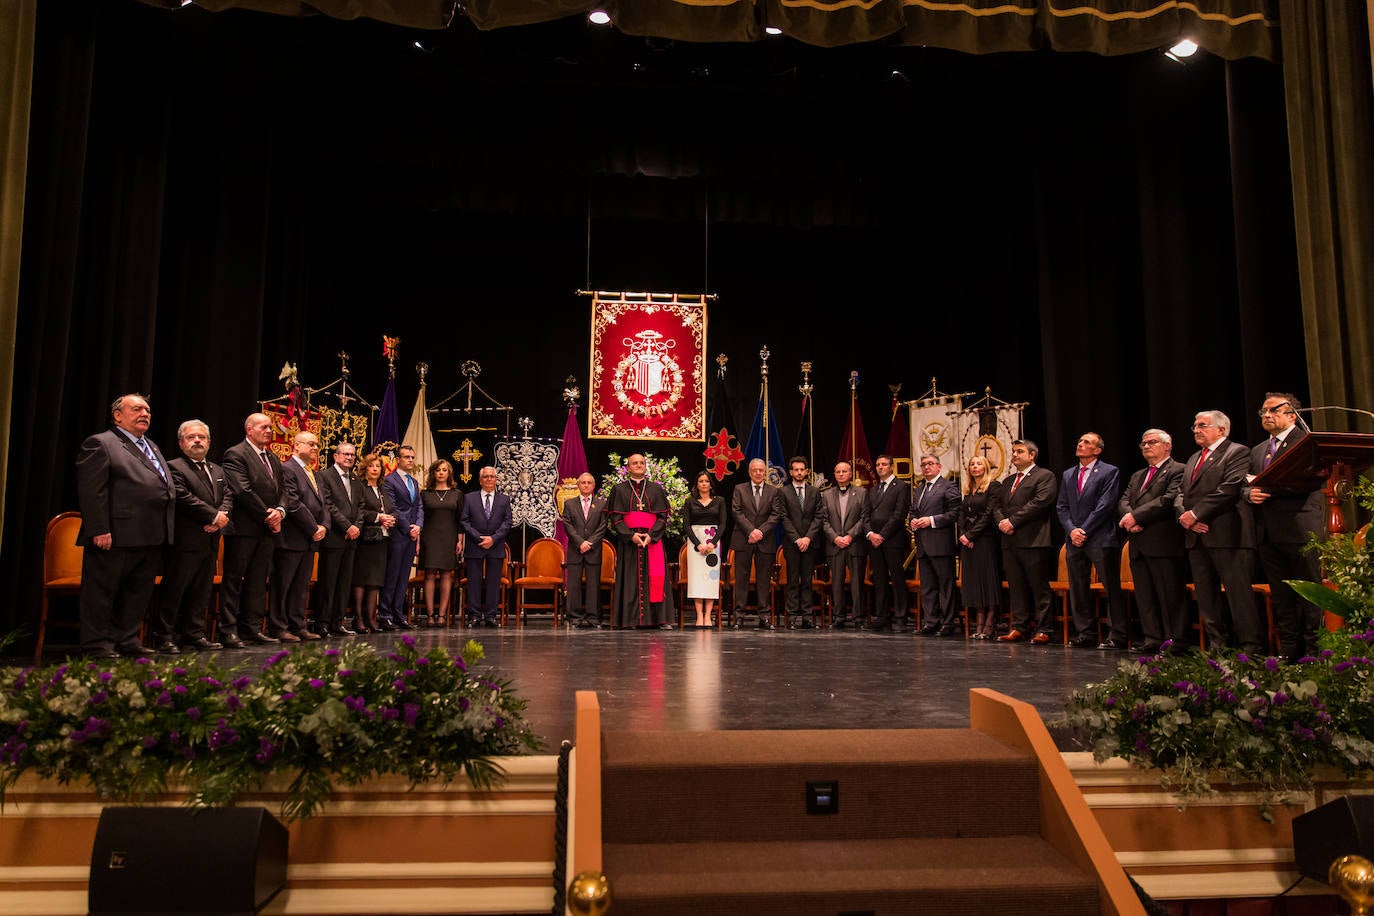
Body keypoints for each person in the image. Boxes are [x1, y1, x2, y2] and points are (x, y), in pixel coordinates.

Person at [74, 393, 176, 659]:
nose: (145, 414)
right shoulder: (101, 443)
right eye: (137, 409)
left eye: (147, 410)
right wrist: (98, 528)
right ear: (118, 415)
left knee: (137, 593)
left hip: (150, 534)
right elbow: (91, 490)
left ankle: (127, 638)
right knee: (103, 592)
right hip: (115, 534)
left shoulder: (150, 445)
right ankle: (96, 643)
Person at [1176, 409, 1262, 654]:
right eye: (1194, 426)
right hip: (1197, 536)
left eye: (1202, 425)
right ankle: (1218, 646)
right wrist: (1187, 518)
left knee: (1238, 595)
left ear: (1221, 430)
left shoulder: (1237, 452)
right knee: (1206, 596)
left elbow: (1230, 488)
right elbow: (1182, 493)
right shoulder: (1194, 458)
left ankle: (1250, 647)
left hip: (1228, 535)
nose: (1196, 430)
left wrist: (1195, 514)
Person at [1246, 393, 1324, 660]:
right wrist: (1249, 494)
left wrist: (1265, 486)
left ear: (1292, 415)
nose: (1267, 415)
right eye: (1263, 411)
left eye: (1273, 410)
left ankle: (1313, 653)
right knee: (1282, 596)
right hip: (1267, 532)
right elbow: (1246, 485)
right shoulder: (1258, 450)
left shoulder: (1305, 442)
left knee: (1310, 594)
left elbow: (1308, 480)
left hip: (1298, 528)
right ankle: (1289, 652)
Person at [156, 419, 231, 652]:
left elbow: (228, 495)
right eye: (191, 437)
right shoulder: (173, 467)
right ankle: (165, 636)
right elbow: (181, 495)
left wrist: (221, 517)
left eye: (201, 437)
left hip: (210, 540)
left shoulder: (218, 470)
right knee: (175, 589)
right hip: (185, 540)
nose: (197, 441)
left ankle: (194, 634)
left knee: (201, 590)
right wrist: (212, 517)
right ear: (181, 442)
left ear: (209, 442)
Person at [1118, 429, 1187, 653]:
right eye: (1143, 443)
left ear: (1167, 446)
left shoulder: (1178, 470)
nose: (1146, 446)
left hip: (1163, 541)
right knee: (1145, 595)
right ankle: (1152, 638)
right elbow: (1125, 499)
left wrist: (1136, 516)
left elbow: (1167, 500)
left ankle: (1175, 639)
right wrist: (1129, 518)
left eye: (1152, 442)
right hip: (1138, 541)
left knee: (1169, 594)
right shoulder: (1138, 475)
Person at [1057, 432, 1128, 650]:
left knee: (1110, 586)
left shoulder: (1109, 471)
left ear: (1097, 450)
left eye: (1087, 442)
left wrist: (1083, 530)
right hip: (1074, 539)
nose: (1081, 444)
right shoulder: (1069, 474)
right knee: (1078, 587)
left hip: (1100, 537)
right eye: (1079, 441)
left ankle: (1117, 635)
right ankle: (1085, 633)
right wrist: (1071, 530)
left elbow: (1105, 505)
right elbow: (1062, 506)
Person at [219, 412, 285, 647]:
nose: (269, 431)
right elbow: (242, 490)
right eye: (263, 427)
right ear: (249, 429)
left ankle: (252, 628)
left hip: (267, 530)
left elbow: (283, 489)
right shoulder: (236, 454)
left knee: (258, 581)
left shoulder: (272, 457)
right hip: (243, 529)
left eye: (270, 427)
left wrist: (280, 511)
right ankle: (228, 630)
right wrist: (269, 515)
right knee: (234, 580)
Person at [994, 439, 1059, 643]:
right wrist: (1001, 522)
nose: (1014, 455)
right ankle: (1019, 627)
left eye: (1020, 451)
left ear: (1032, 455)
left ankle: (1044, 629)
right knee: (1016, 587)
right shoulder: (1008, 480)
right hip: (1010, 541)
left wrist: (1012, 521)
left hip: (1033, 539)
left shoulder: (1044, 475)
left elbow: (1040, 503)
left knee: (1039, 587)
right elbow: (996, 506)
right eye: (1013, 451)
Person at [270, 431, 328, 642]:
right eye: (311, 444)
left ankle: (297, 624)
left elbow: (324, 505)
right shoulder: (287, 469)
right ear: (296, 446)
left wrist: (324, 526)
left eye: (317, 445)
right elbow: (292, 502)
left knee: (301, 585)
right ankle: (279, 626)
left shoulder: (315, 473)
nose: (315, 448)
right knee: (283, 584)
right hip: (292, 537)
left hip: (309, 539)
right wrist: (313, 527)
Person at [607, 453, 675, 629]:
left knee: (656, 577)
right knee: (630, 580)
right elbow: (615, 518)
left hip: (652, 541)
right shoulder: (619, 489)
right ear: (628, 467)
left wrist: (651, 535)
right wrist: (631, 536)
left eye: (642, 463)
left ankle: (659, 619)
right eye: (634, 463)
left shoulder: (656, 489)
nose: (638, 465)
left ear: (646, 466)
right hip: (629, 542)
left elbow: (662, 517)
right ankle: (630, 620)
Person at [909, 455, 962, 637]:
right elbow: (913, 511)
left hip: (941, 544)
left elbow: (955, 512)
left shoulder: (948, 486)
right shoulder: (920, 489)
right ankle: (931, 622)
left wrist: (931, 520)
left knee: (945, 585)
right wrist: (913, 521)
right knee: (928, 586)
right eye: (923, 465)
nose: (926, 468)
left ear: (939, 466)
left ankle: (948, 623)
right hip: (923, 545)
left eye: (930, 464)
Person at [315, 441, 361, 637]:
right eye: (345, 454)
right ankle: (322, 622)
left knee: (344, 582)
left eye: (352, 455)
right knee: (329, 581)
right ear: (336, 456)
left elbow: (361, 506)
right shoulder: (325, 476)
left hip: (351, 539)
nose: (349, 457)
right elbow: (328, 504)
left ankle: (338, 621)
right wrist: (347, 526)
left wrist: (356, 526)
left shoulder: (356, 480)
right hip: (334, 536)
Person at [729, 458, 780, 629]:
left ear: (765, 472)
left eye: (761, 470)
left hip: (765, 541)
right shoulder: (739, 489)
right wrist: (751, 531)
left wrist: (760, 532)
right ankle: (739, 616)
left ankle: (764, 616)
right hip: (743, 539)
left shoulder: (773, 491)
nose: (758, 473)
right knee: (741, 578)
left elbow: (775, 515)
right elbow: (736, 511)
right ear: (750, 472)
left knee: (764, 579)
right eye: (755, 470)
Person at [864, 454, 911, 633]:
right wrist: (870, 533)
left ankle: (900, 616)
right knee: (879, 579)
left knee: (897, 578)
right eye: (878, 465)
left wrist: (882, 535)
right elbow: (866, 514)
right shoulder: (874, 489)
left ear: (892, 467)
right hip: (874, 541)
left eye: (884, 464)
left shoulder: (901, 487)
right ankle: (882, 615)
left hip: (892, 539)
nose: (880, 467)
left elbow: (899, 515)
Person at [461, 466, 512, 627]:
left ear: (496, 480)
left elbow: (508, 522)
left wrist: (493, 538)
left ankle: (491, 616)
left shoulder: (504, 499)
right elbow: (464, 521)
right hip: (475, 545)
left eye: (492, 477)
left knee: (493, 583)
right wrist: (479, 537)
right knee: (474, 582)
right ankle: (474, 616)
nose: (489, 479)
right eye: (486, 477)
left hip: (495, 546)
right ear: (480, 480)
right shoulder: (469, 498)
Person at [958, 455, 1003, 639]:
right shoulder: (969, 488)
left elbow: (988, 514)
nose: (975, 467)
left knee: (988, 580)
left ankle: (990, 622)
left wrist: (971, 535)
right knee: (975, 582)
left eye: (978, 464)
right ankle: (979, 619)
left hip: (985, 539)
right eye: (972, 464)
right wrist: (963, 534)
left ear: (985, 467)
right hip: (968, 542)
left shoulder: (993, 486)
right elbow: (961, 513)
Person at [379, 445, 424, 629]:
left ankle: (399, 614)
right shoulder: (389, 481)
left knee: (404, 576)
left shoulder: (413, 481)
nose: (410, 460)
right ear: (398, 459)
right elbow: (393, 508)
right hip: (398, 534)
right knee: (392, 575)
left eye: (412, 457)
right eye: (406, 457)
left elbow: (419, 506)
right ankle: (384, 614)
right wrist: (408, 528)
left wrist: (418, 526)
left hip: (411, 535)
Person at [351, 453, 397, 633]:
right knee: (361, 580)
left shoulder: (382, 489)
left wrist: (392, 518)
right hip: (366, 540)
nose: (375, 469)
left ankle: (372, 619)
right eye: (372, 466)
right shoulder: (360, 487)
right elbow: (359, 511)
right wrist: (378, 517)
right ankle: (358, 619)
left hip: (382, 540)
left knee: (375, 581)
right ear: (365, 468)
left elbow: (393, 509)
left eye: (378, 466)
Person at [821, 460, 868, 629]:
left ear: (850, 474)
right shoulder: (826, 495)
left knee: (857, 583)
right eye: (838, 472)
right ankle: (839, 617)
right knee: (837, 583)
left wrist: (849, 536)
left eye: (844, 471)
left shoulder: (862, 493)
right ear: (834, 474)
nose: (841, 474)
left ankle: (858, 618)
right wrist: (835, 538)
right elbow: (824, 521)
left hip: (854, 545)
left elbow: (864, 518)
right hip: (834, 546)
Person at [778, 457, 823, 629]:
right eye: (795, 469)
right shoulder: (783, 492)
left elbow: (819, 517)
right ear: (790, 472)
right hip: (792, 543)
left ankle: (806, 616)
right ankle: (792, 617)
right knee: (792, 580)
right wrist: (797, 538)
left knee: (807, 580)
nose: (799, 472)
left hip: (810, 543)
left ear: (806, 471)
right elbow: (783, 517)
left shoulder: (814, 492)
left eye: (802, 469)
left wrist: (807, 538)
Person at [418, 458, 462, 627]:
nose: (441, 473)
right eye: (438, 470)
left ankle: (442, 615)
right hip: (429, 537)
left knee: (446, 574)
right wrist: (419, 541)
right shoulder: (425, 494)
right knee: (429, 574)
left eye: (444, 470)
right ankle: (430, 614)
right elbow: (420, 518)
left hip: (449, 538)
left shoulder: (457, 494)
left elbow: (460, 520)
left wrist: (459, 540)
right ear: (433, 473)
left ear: (449, 473)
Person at [563, 472, 608, 629]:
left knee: (593, 585)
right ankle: (574, 617)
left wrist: (590, 542)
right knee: (574, 584)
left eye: (589, 482)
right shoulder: (569, 504)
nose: (586, 485)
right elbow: (568, 525)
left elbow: (603, 526)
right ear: (578, 485)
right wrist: (580, 543)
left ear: (594, 486)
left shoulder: (602, 504)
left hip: (593, 550)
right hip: (576, 550)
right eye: (583, 483)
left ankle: (593, 617)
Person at [682, 470, 726, 629]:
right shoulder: (689, 501)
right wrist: (697, 543)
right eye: (701, 481)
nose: (704, 484)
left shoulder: (719, 501)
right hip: (696, 543)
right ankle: (699, 615)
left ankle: (708, 615)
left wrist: (713, 542)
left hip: (713, 543)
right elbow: (686, 525)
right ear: (697, 484)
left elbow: (722, 524)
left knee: (710, 580)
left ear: (710, 484)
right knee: (697, 580)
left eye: (706, 481)